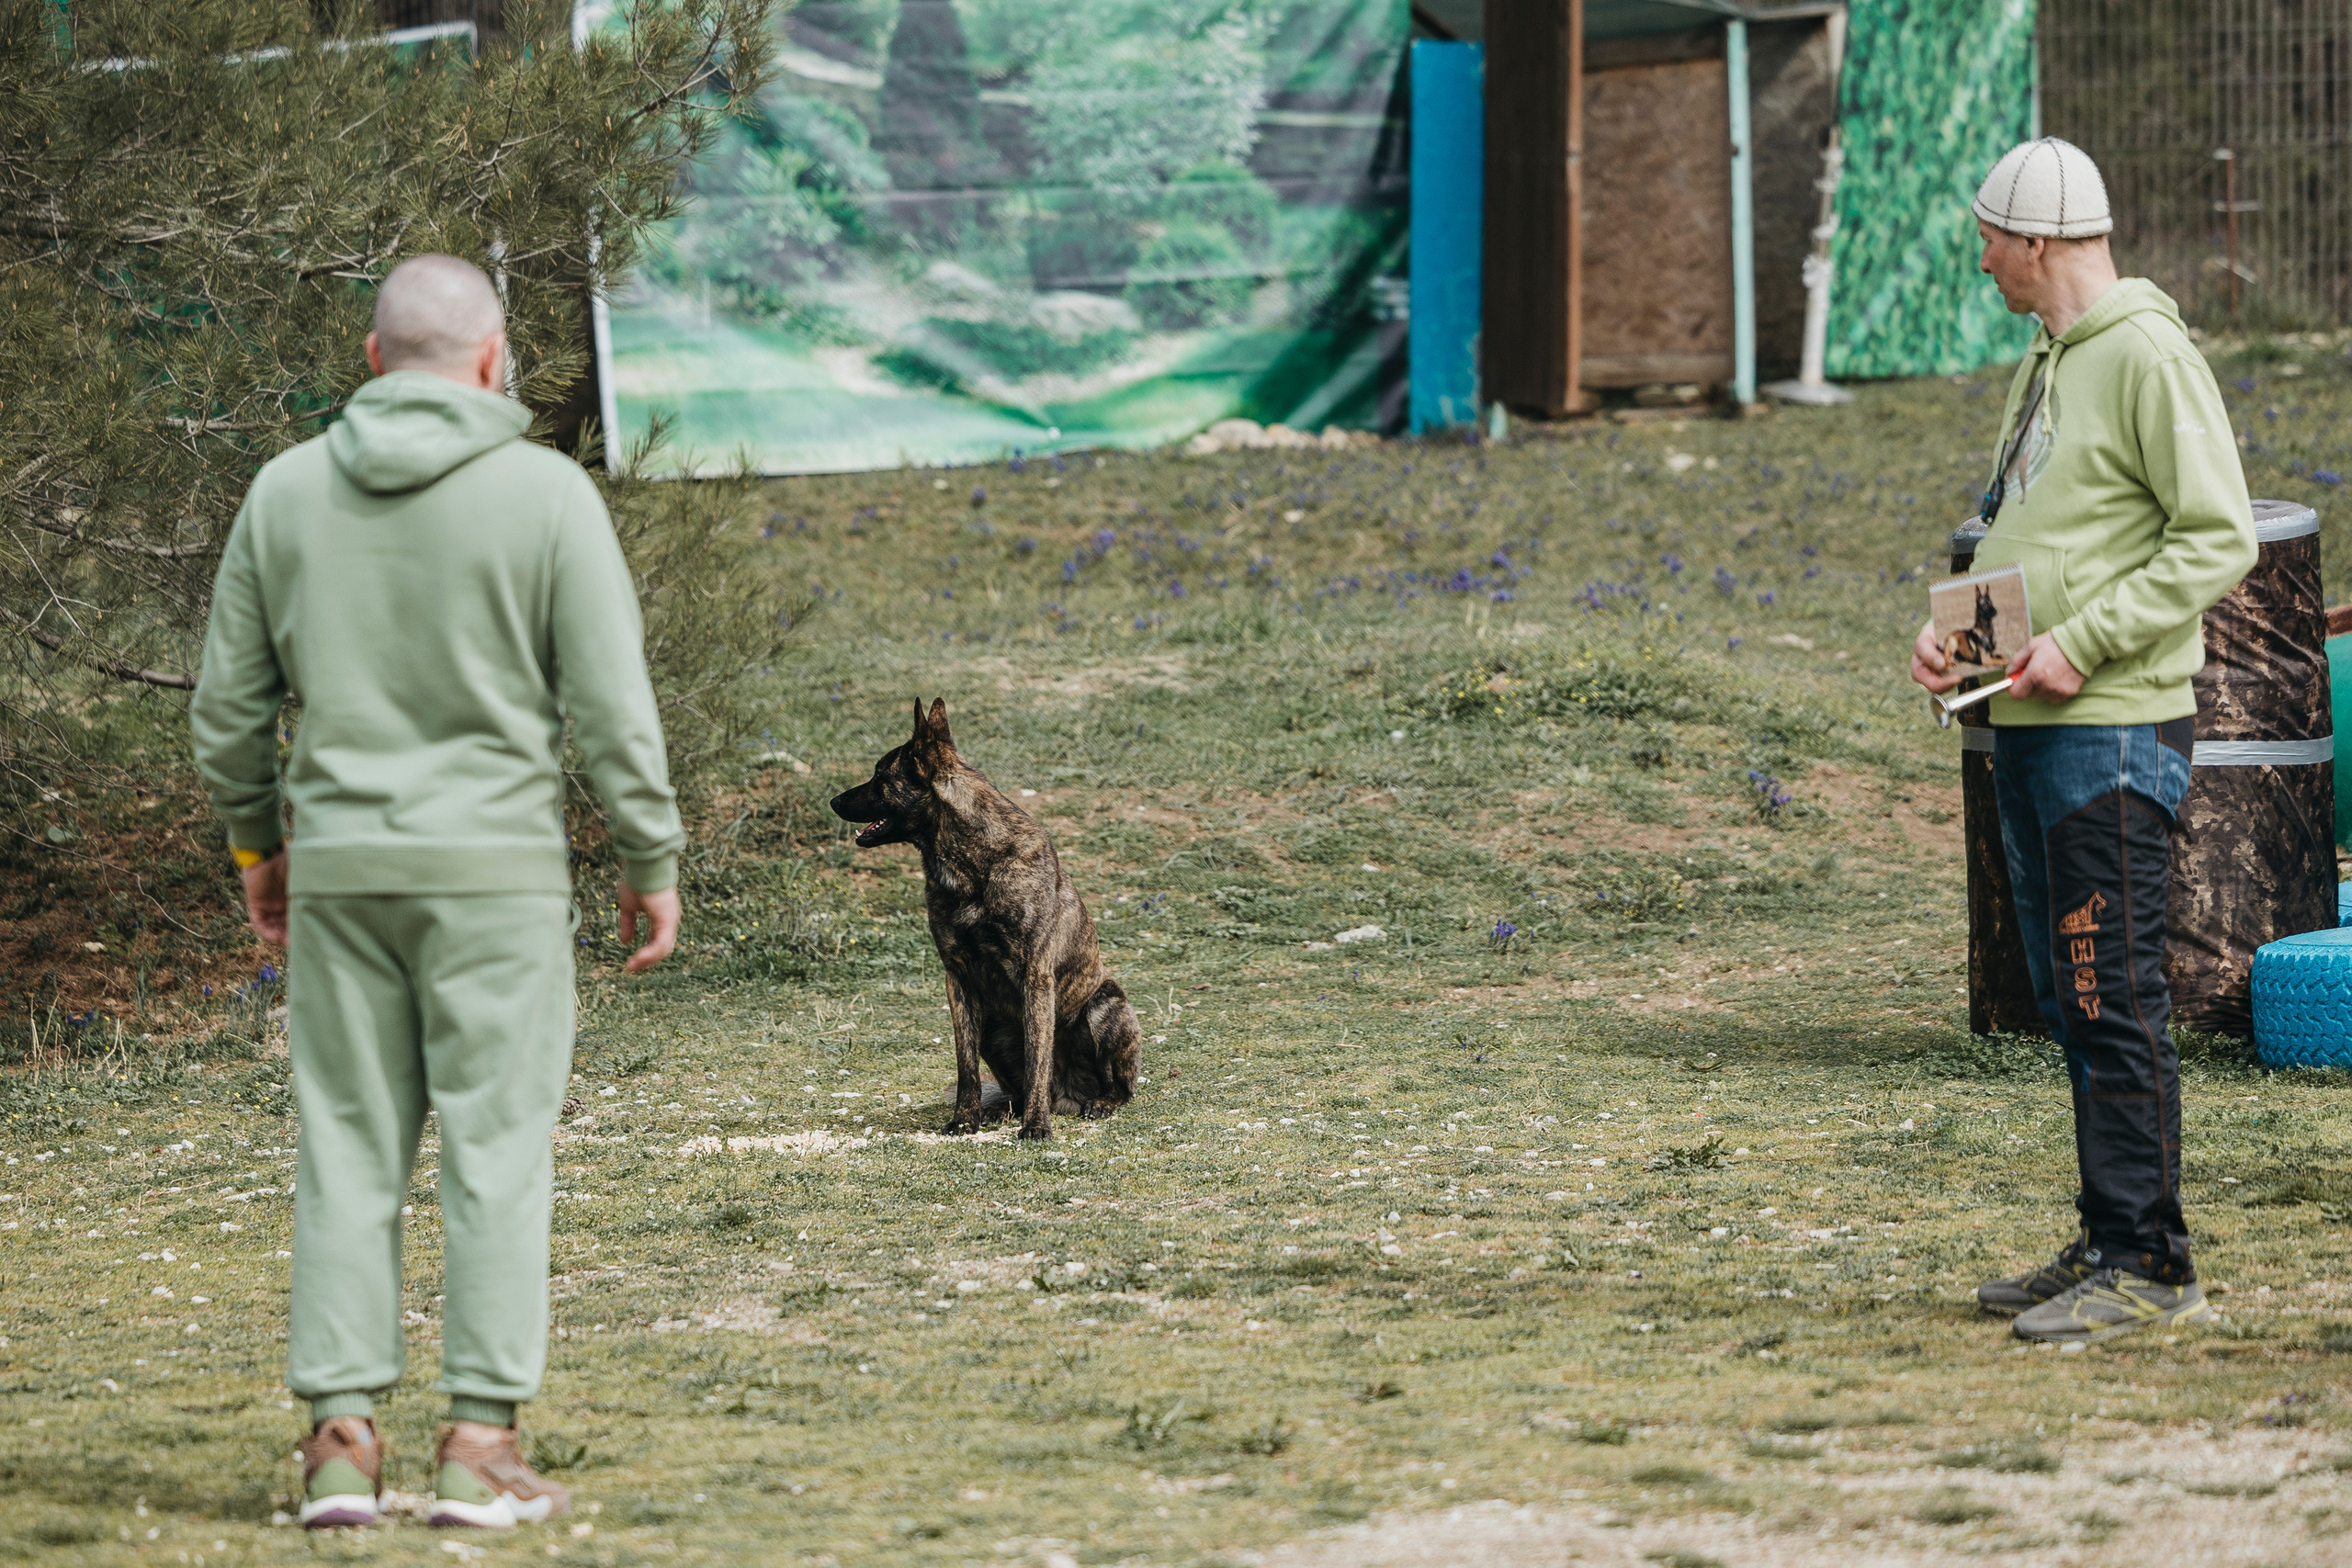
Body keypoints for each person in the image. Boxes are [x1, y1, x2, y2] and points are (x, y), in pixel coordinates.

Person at [191, 254, 686, 1527]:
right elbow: (614, 710)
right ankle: (477, 1446)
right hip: (498, 883)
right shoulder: (549, 496)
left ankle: (341, 1450)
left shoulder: (285, 494)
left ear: (371, 363)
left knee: (347, 1151)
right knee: (496, 1153)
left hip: (344, 877)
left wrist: (262, 854)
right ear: (491, 359)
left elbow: (229, 714)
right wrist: (648, 857)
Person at [1913, 139, 2255, 1345]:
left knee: (2113, 994)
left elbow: (2217, 537)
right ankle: (2110, 1231)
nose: (1984, 258)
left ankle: (2152, 1266)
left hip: (2108, 733)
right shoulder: (2049, 360)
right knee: (2072, 995)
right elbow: (2033, 534)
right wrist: (1957, 640)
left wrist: (2086, 642)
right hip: (2027, 721)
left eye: (1992, 240)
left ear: (2042, 241)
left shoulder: (2151, 356)